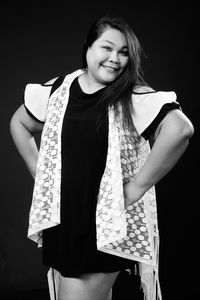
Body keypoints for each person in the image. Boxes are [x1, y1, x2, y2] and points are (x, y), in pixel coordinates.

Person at [10, 15, 194, 300]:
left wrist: (135, 188)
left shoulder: (131, 94)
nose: (115, 59)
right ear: (88, 47)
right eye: (106, 48)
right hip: (64, 225)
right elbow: (19, 124)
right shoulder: (60, 89)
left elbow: (180, 129)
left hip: (103, 229)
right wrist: (42, 176)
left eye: (123, 52)